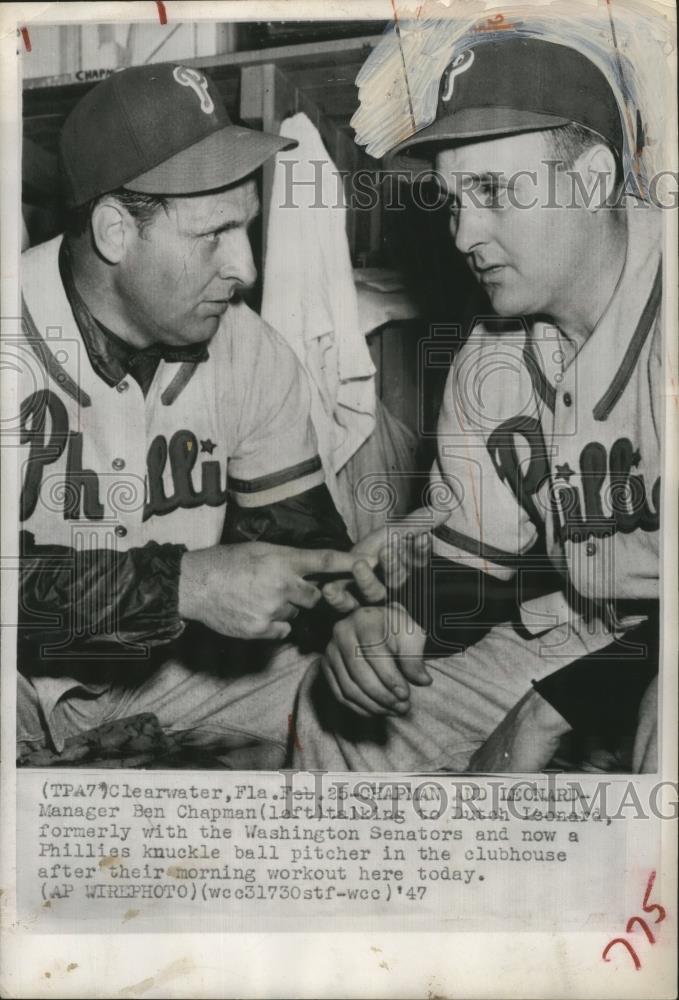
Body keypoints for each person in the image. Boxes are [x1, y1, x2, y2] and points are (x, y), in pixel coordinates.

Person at [291, 36, 662, 773]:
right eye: (454, 200)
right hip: (583, 630)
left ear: (591, 180)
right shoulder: (495, 350)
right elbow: (476, 557)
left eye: (493, 192)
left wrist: (556, 708)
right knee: (338, 715)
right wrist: (401, 618)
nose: (463, 234)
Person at [16, 62, 375, 768]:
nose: (244, 267)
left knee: (378, 709)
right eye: (213, 235)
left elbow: (297, 535)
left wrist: (354, 608)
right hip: (16, 678)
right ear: (116, 232)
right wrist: (186, 584)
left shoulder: (248, 349)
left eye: (247, 228)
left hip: (166, 676)